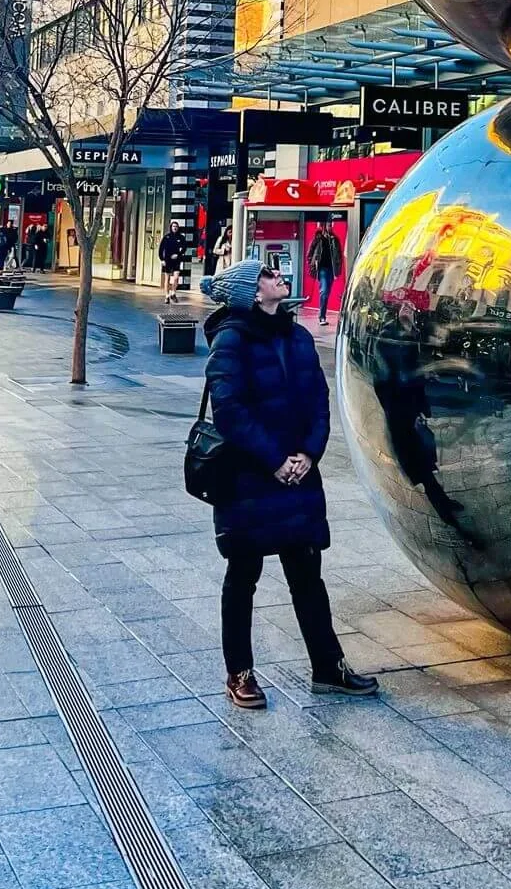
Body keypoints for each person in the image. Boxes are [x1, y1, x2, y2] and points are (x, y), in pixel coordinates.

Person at [199, 257, 378, 710]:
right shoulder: (230, 341)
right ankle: (239, 672)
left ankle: (328, 667)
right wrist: (275, 459)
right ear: (253, 293)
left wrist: (308, 453)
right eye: (267, 275)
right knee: (243, 576)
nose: (279, 277)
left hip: (298, 476)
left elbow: (319, 399)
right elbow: (230, 411)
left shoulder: (297, 337)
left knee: (307, 575)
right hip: (249, 478)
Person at [307, 222, 344, 326]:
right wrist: (312, 266)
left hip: (331, 270)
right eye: (329, 225)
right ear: (324, 226)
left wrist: (338, 270)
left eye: (331, 225)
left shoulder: (334, 239)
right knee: (324, 291)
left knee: (326, 293)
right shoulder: (318, 239)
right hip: (322, 269)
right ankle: (322, 317)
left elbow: (339, 256)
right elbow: (310, 254)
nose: (331, 227)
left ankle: (323, 315)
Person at [159, 221, 186, 303]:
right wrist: (162, 259)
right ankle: (166, 296)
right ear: (171, 227)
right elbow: (161, 249)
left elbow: (184, 248)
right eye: (173, 226)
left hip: (176, 260)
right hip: (167, 260)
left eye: (176, 226)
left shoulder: (181, 237)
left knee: (176, 278)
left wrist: (178, 254)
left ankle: (173, 293)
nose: (175, 228)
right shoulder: (167, 237)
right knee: (167, 278)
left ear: (178, 228)